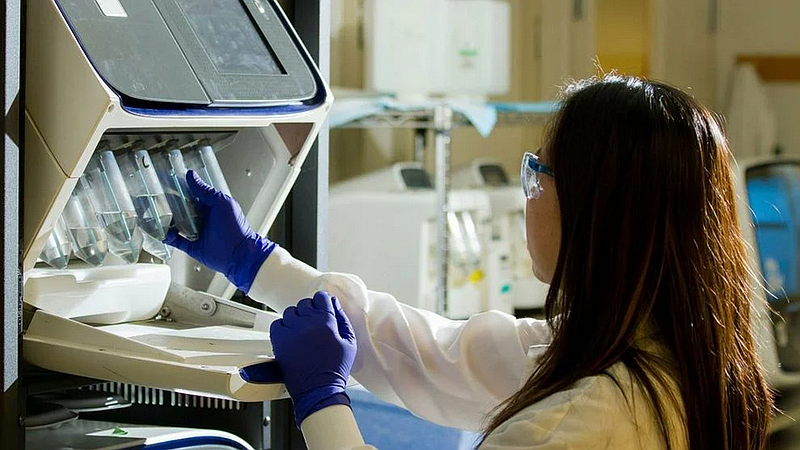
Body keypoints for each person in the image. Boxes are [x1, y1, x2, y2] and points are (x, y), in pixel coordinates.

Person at [165, 75, 774, 449]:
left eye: (538, 173)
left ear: (596, 212)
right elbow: (425, 350)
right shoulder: (665, 363)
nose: (527, 193)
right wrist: (257, 261)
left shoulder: (583, 421)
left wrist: (324, 402)